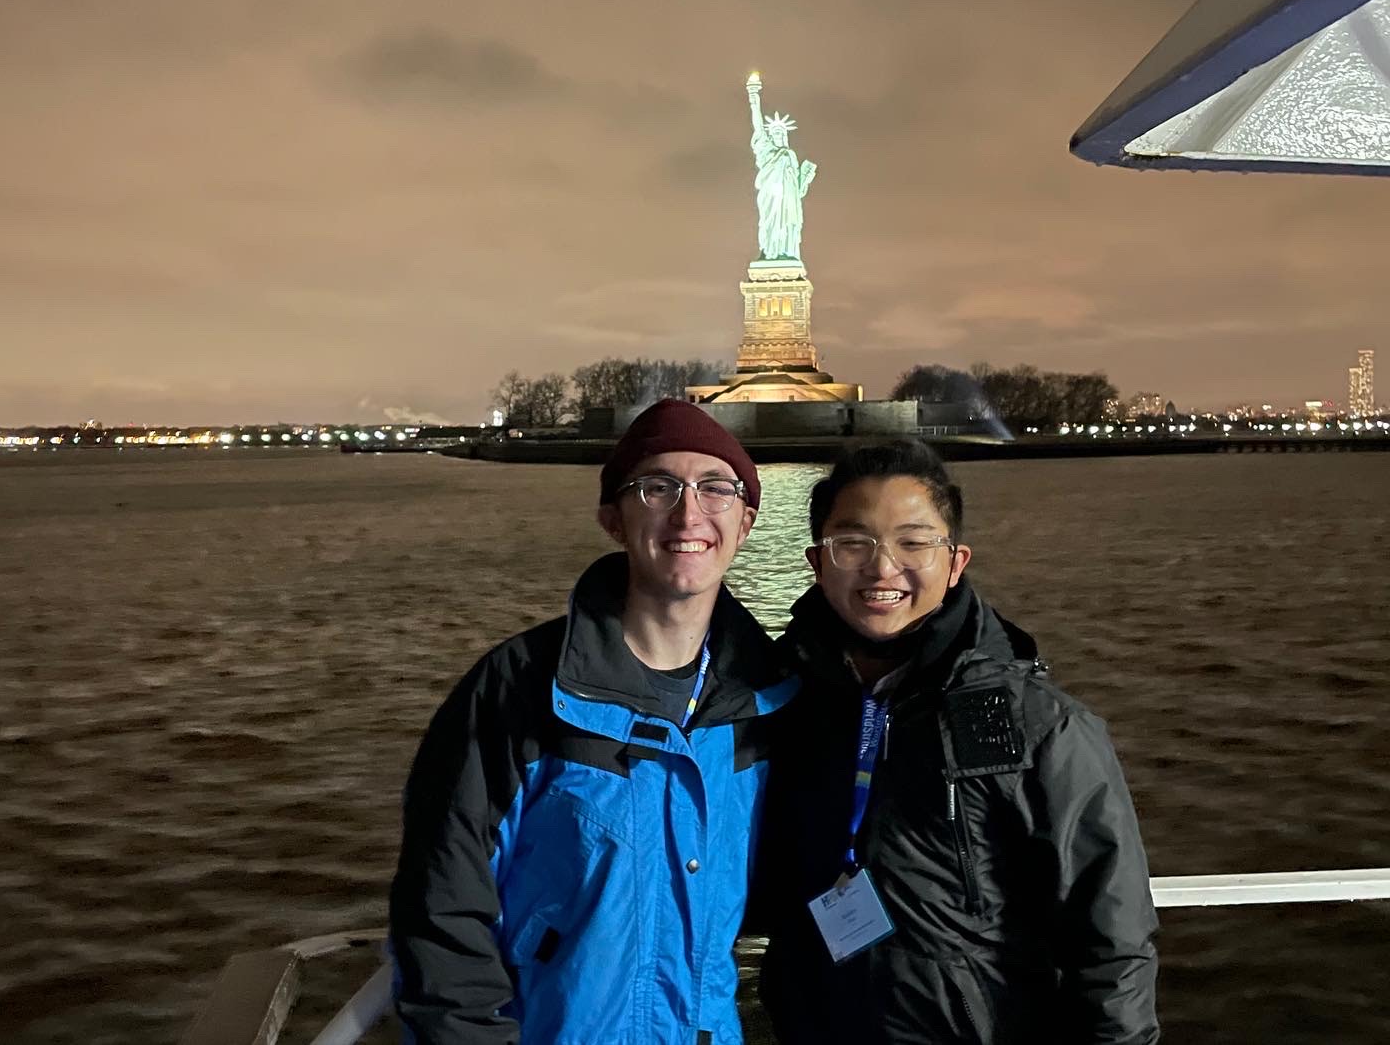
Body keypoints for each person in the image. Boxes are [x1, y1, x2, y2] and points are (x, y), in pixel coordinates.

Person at [389, 399, 796, 1044]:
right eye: (658, 487)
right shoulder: (517, 687)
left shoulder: (773, 700)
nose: (690, 513)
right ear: (613, 519)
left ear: (745, 521)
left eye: (716, 488)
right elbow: (441, 910)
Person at [756, 440, 1159, 1044]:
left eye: (913, 542)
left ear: (956, 561)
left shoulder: (1041, 725)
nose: (882, 568)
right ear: (818, 560)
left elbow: (1112, 939)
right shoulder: (774, 704)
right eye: (853, 543)